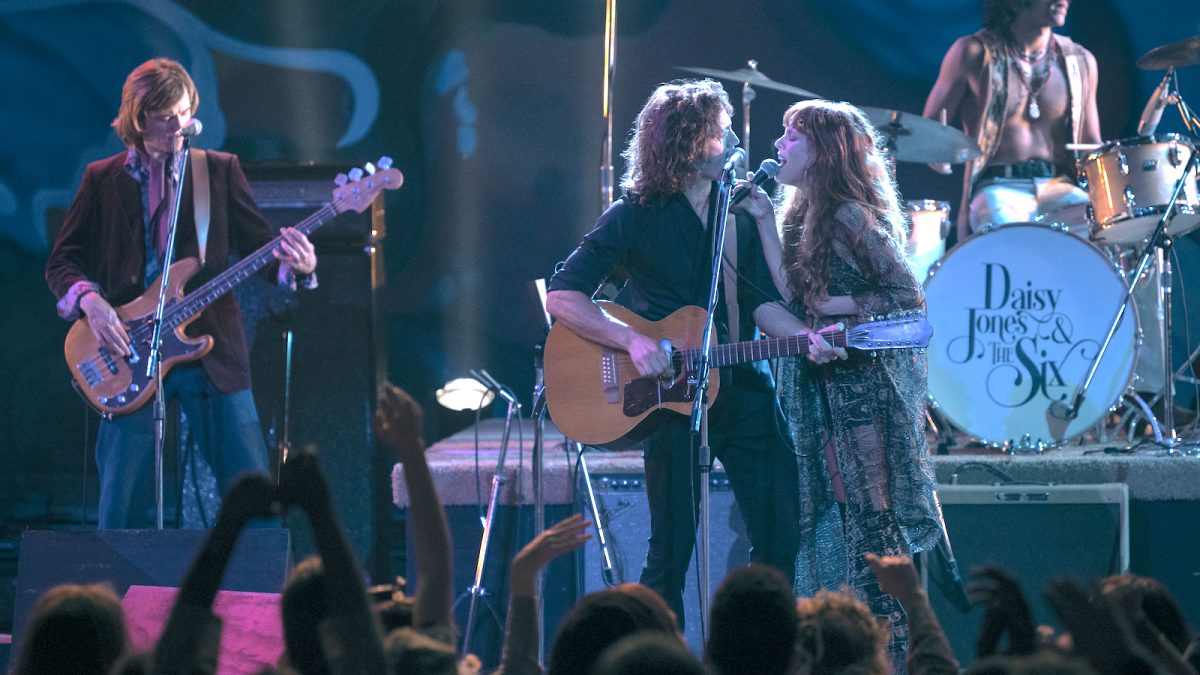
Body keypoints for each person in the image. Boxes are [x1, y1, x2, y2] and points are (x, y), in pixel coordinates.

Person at [546, 78, 831, 627]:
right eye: (721, 133)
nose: (732, 143)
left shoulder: (740, 212)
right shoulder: (635, 214)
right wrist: (631, 339)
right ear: (686, 142)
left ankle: (756, 652)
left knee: (779, 531)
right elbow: (563, 294)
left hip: (743, 386)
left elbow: (759, 305)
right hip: (672, 400)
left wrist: (805, 338)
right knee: (669, 553)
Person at [44, 57, 317, 528]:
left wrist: (301, 267)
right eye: (166, 116)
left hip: (210, 345)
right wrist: (94, 304)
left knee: (253, 491)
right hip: (126, 350)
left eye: (185, 112)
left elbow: (262, 251)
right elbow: (62, 262)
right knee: (120, 508)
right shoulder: (101, 178)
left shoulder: (218, 171)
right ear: (138, 117)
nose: (179, 125)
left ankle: (260, 599)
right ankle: (116, 600)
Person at [738, 99, 949, 672]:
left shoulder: (851, 216)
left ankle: (896, 652)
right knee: (835, 515)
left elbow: (908, 296)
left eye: (792, 137)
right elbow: (791, 290)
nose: (779, 145)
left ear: (824, 153)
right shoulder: (793, 215)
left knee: (872, 519)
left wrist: (839, 304)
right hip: (820, 386)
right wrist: (760, 220)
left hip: (866, 392)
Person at [922, 0, 1101, 241]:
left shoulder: (1081, 61)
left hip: (1060, 186)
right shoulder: (973, 52)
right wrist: (939, 152)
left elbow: (1092, 142)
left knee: (1096, 229)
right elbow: (927, 131)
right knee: (1010, 236)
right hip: (997, 188)